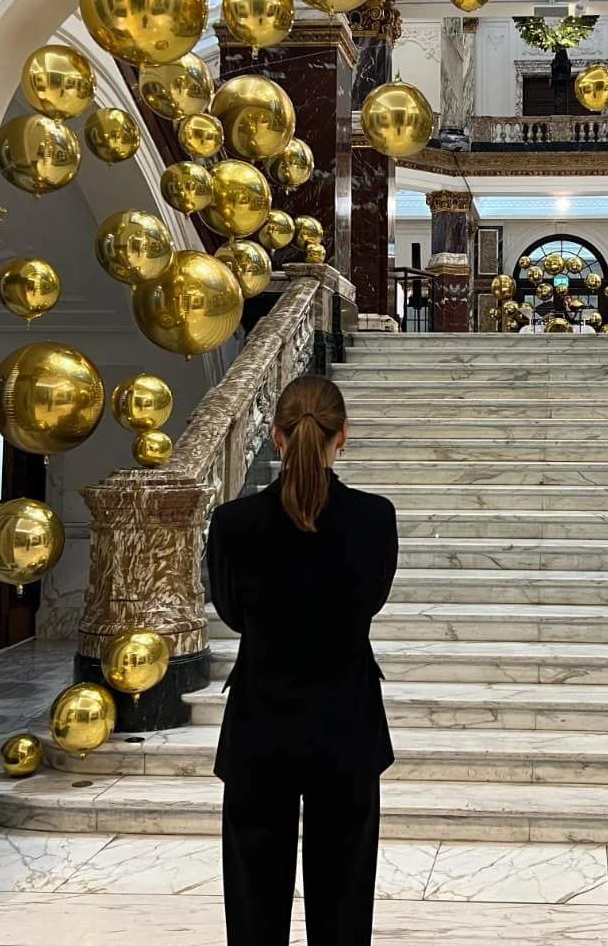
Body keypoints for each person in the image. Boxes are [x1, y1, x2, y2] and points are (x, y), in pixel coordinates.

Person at [206, 375, 399, 946]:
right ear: (344, 436)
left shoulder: (234, 524)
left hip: (261, 719)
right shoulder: (375, 518)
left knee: (253, 908)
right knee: (344, 905)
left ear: (277, 437)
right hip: (347, 720)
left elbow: (234, 616)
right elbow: (370, 604)